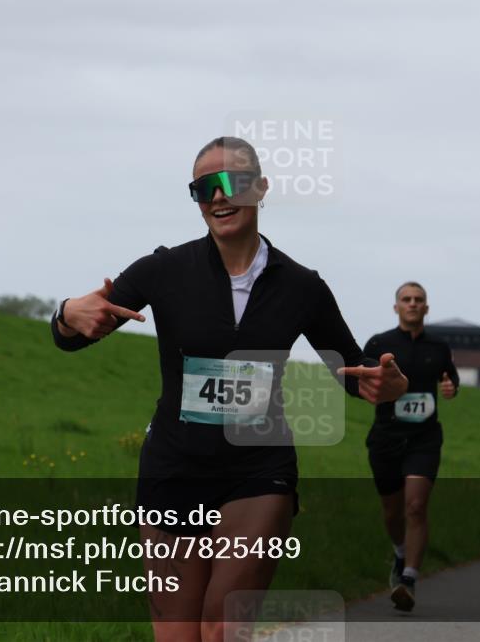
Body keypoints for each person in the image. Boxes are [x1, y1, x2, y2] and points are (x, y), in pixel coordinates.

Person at [51, 136, 408, 642]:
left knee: (222, 624)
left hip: (258, 469)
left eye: (232, 183)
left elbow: (352, 370)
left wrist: (386, 382)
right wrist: (67, 313)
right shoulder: (163, 270)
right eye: (203, 189)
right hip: (175, 466)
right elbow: (74, 336)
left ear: (261, 188)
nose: (219, 197)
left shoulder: (302, 285)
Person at [363, 282, 459, 612]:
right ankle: (400, 552)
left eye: (419, 300)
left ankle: (409, 578)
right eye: (407, 300)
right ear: (396, 307)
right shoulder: (380, 343)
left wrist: (450, 387)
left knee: (415, 506)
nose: (413, 304)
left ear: (427, 308)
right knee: (392, 510)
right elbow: (361, 381)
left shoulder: (439, 346)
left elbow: (451, 379)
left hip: (425, 438)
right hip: (387, 437)